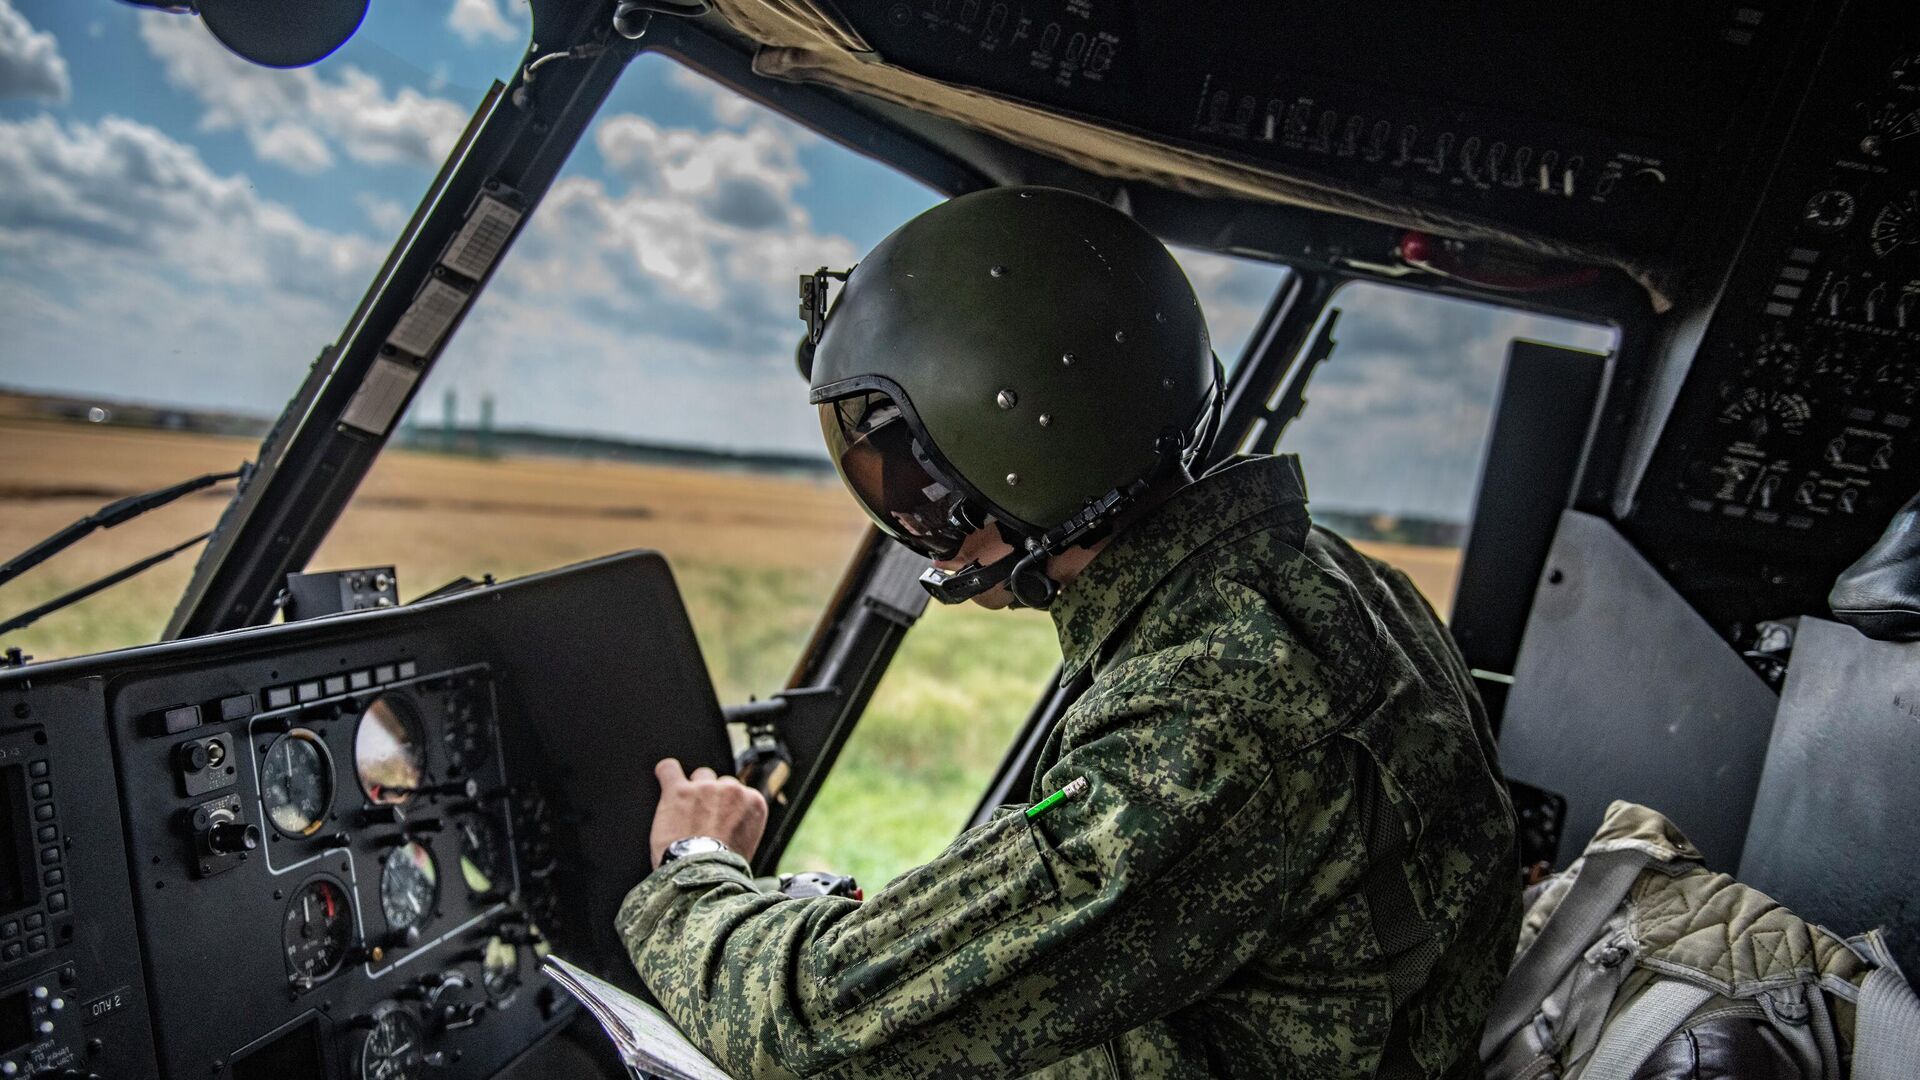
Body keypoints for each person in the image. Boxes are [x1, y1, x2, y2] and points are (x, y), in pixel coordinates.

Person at [617, 186, 1520, 1078]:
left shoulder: (1204, 724)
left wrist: (692, 871)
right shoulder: (1325, 577)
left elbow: (800, 1032)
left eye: (910, 482)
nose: (908, 520)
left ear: (1021, 453)